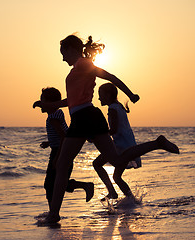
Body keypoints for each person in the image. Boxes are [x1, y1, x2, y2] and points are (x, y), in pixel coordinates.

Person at [33, 34, 180, 224]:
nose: (63, 58)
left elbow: (109, 76)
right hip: (89, 116)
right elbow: (71, 101)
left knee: (61, 165)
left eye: (63, 53)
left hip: (84, 118)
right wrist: (51, 105)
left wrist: (130, 93)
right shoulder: (79, 67)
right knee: (116, 159)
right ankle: (157, 143)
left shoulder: (82, 64)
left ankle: (54, 214)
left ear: (71, 49)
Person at [35, 87, 94, 217]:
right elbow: (63, 135)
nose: (41, 103)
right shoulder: (57, 114)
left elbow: (63, 137)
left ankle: (53, 212)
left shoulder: (53, 118)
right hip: (61, 149)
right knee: (57, 182)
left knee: (51, 184)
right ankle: (53, 211)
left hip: (59, 151)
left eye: (42, 100)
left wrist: (57, 157)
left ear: (50, 103)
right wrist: (49, 142)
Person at [93, 83, 141, 201]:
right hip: (126, 143)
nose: (99, 98)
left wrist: (98, 135)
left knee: (97, 164)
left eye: (101, 95)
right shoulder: (117, 106)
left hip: (121, 146)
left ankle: (115, 194)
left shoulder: (113, 108)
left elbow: (113, 130)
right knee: (117, 177)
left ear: (108, 95)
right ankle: (131, 199)